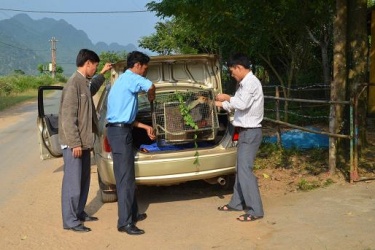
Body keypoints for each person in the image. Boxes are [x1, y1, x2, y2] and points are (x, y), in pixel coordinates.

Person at [58, 48, 112, 233]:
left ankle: (79, 212)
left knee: (83, 180)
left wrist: (103, 73)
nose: (95, 69)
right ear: (87, 63)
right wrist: (74, 143)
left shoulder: (84, 82)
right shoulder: (74, 84)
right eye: (95, 66)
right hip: (75, 144)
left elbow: (92, 88)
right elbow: (67, 118)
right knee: (73, 183)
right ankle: (71, 221)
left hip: (84, 142)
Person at [106, 51, 156, 235]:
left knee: (128, 176)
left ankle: (133, 213)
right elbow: (151, 85)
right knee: (125, 179)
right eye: (145, 68)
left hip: (121, 129)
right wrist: (152, 94)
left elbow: (125, 116)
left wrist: (143, 126)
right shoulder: (131, 78)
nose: (145, 72)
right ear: (137, 66)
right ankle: (125, 223)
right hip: (119, 133)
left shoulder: (122, 81)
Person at [215, 53, 264, 222]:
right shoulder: (244, 84)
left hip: (250, 132)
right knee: (240, 168)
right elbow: (238, 105)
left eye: (232, 71)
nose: (232, 74)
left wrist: (226, 98)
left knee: (245, 171)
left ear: (239, 68)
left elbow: (241, 104)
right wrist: (219, 104)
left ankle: (255, 210)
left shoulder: (251, 83)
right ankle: (236, 203)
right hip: (244, 131)